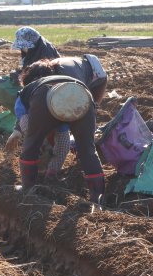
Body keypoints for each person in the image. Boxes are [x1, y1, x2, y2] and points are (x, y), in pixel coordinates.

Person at [15, 61, 105, 204]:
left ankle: (28, 189)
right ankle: (98, 198)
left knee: (31, 145)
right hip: (82, 94)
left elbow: (23, 119)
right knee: (87, 149)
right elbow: (64, 118)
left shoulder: (30, 89)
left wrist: (34, 136)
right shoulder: (66, 78)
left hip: (44, 97)